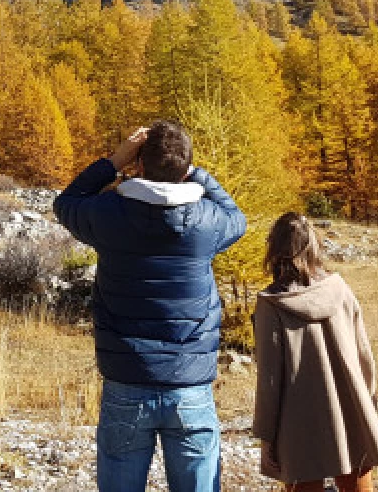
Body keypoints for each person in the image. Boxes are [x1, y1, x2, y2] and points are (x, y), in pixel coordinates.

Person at [53, 121, 247, 492]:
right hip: (189, 383)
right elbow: (237, 218)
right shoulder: (206, 221)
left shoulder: (109, 213)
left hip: (127, 377)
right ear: (185, 166)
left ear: (139, 165)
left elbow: (66, 203)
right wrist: (197, 174)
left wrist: (113, 162)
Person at [253, 212, 378, 492]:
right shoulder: (340, 289)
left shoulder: (271, 304)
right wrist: (368, 404)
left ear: (273, 249)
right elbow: (364, 354)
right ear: (313, 246)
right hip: (349, 404)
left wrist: (266, 437)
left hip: (297, 420)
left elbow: (269, 379)